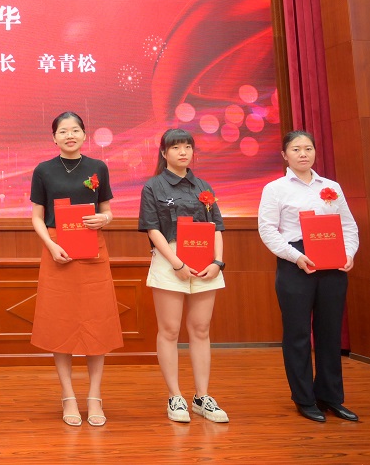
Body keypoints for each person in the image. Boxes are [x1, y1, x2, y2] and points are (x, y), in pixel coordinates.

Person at [257, 130, 359, 422]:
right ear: (284, 155)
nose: (303, 154)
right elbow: (267, 230)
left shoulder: (331, 187)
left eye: (308, 148)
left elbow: (348, 225)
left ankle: (330, 396)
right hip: (295, 262)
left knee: (329, 332)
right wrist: (296, 257)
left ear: (315, 152)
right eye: (296, 149)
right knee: (298, 334)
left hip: (332, 261)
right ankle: (304, 399)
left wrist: (349, 253)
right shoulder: (275, 188)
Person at [29, 112, 121, 427]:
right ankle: (68, 395)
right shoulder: (43, 170)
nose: (70, 135)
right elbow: (37, 217)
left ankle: (94, 396)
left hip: (93, 251)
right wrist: (50, 245)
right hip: (58, 251)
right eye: (63, 131)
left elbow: (108, 211)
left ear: (84, 134)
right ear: (54, 137)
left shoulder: (98, 168)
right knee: (61, 323)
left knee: (97, 323)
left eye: (76, 130)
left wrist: (104, 219)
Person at [138, 128, 228, 423]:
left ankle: (202, 397)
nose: (183, 152)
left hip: (206, 260)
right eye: (176, 147)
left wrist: (218, 262)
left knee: (201, 329)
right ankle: (175, 396)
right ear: (164, 153)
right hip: (169, 260)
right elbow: (152, 229)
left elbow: (216, 227)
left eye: (187, 147)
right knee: (170, 330)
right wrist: (176, 263)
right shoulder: (153, 186)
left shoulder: (203, 185)